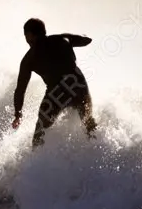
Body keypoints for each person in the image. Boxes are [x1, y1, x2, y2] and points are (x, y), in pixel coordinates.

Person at [12, 18, 98, 147]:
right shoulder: (63, 39)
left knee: (40, 132)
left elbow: (20, 90)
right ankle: (99, 152)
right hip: (78, 86)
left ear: (29, 35)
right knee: (89, 125)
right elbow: (86, 40)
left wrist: (18, 114)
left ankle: (37, 162)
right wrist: (82, 36)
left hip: (57, 95)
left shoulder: (28, 59)